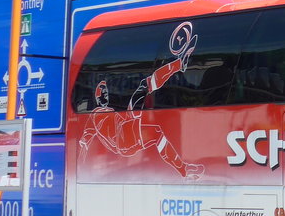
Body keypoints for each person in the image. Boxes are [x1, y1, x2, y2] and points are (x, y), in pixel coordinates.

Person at [79, 21, 204, 180]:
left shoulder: (109, 112)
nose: (105, 93)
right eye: (102, 91)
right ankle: (179, 64)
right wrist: (79, 169)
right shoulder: (94, 115)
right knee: (144, 87)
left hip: (126, 132)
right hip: (123, 138)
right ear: (97, 96)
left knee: (156, 132)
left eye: (105, 90)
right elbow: (84, 143)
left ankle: (183, 170)